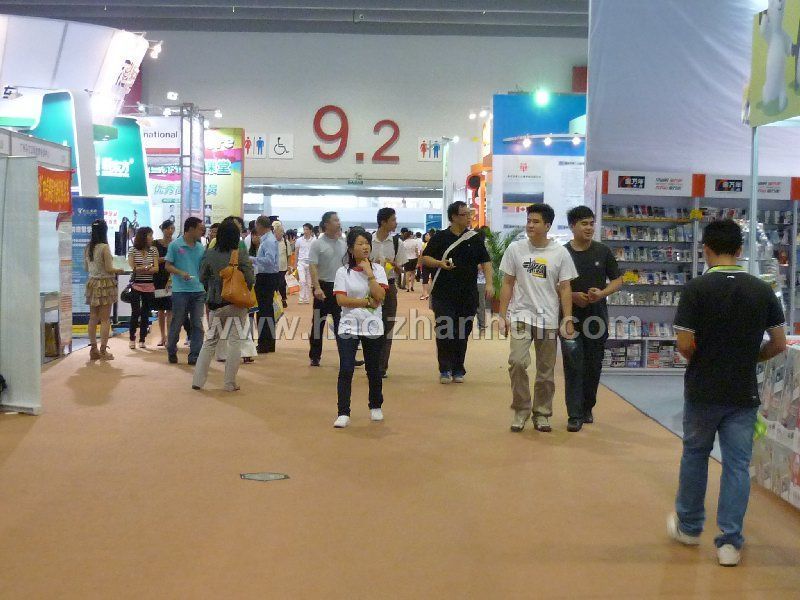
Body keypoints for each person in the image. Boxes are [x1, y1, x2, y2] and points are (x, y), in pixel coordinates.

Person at [668, 219, 786, 567]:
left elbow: (684, 343)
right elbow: (778, 343)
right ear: (740, 250)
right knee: (736, 465)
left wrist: (703, 358)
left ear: (705, 249)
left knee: (695, 456)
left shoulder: (696, 289)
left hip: (702, 389)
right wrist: (751, 357)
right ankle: (730, 543)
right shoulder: (761, 290)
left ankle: (689, 528)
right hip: (742, 392)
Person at [498, 203, 577, 433]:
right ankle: (521, 409)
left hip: (548, 319)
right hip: (521, 315)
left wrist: (567, 318)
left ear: (547, 225)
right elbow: (507, 283)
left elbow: (565, 288)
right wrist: (502, 316)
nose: (530, 225)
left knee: (545, 371)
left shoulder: (560, 253)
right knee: (517, 362)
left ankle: (542, 413)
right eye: (528, 221)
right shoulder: (515, 249)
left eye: (536, 222)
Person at [560, 206, 622, 431]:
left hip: (597, 319)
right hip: (570, 319)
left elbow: (617, 280)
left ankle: (587, 407)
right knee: (573, 366)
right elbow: (554, 285)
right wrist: (573, 296)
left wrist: (602, 293)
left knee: (593, 366)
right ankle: (574, 414)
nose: (589, 228)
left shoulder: (602, 251)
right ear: (572, 226)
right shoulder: (562, 253)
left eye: (591, 223)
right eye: (584, 223)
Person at [422, 201, 493, 384]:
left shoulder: (474, 238)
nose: (469, 218)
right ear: (453, 217)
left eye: (470, 214)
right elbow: (425, 258)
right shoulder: (440, 237)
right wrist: (439, 263)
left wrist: (489, 284)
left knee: (463, 331)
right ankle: (445, 368)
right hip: (443, 293)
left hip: (468, 294)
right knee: (445, 330)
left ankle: (458, 368)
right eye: (465, 214)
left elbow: (485, 261)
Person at [332, 228, 388, 428]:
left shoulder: (378, 270)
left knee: (373, 369)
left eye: (367, 243)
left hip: (372, 326)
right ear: (350, 248)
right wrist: (365, 302)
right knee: (346, 368)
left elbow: (380, 297)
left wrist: (370, 274)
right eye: (360, 243)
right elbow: (341, 300)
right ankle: (343, 412)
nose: (365, 247)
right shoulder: (343, 272)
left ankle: (375, 405)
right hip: (348, 325)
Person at [192, 220, 255, 392]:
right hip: (237, 303)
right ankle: (229, 383)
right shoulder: (240, 254)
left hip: (215, 303)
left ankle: (198, 380)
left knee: (210, 342)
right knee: (235, 342)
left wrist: (213, 286)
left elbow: (202, 277)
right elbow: (250, 278)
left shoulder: (209, 253)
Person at [165, 216, 207, 365]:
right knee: (177, 322)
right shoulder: (175, 245)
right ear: (190, 229)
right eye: (199, 229)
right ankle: (171, 349)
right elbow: (168, 265)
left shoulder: (201, 248)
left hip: (198, 290)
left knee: (197, 324)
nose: (202, 231)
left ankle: (194, 355)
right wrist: (180, 272)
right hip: (180, 291)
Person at [370, 207, 406, 378]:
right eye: (393, 220)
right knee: (370, 324)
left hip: (389, 287)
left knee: (388, 325)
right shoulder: (368, 241)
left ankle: (381, 366)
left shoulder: (397, 243)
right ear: (383, 222)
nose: (395, 223)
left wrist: (396, 266)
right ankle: (372, 361)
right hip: (370, 287)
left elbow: (401, 270)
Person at [308, 211, 347, 366]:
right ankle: (315, 355)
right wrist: (317, 287)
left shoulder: (343, 243)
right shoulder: (317, 243)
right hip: (323, 286)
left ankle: (346, 356)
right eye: (335, 220)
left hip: (339, 288)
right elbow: (312, 266)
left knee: (341, 323)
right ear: (326, 224)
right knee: (318, 322)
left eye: (338, 220)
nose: (339, 222)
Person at [84, 219, 124, 360]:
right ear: (104, 231)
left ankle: (93, 349)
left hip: (92, 283)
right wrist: (119, 269)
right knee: (105, 319)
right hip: (105, 284)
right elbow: (108, 268)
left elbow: (86, 268)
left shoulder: (88, 247)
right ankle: (103, 350)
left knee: (93, 318)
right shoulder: (104, 247)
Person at [126, 226, 159, 349]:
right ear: (143, 236)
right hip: (136, 285)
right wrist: (147, 268)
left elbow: (156, 268)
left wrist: (142, 268)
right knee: (135, 312)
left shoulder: (153, 250)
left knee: (146, 313)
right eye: (150, 235)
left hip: (149, 285)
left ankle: (142, 339)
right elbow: (132, 267)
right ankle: (132, 338)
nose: (152, 238)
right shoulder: (133, 250)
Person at [253, 216, 280, 354]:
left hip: (266, 277)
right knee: (267, 311)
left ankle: (264, 343)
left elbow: (269, 261)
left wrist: (252, 259)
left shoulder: (268, 241)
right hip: (268, 277)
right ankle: (268, 343)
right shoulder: (268, 239)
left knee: (264, 311)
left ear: (260, 226)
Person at [295, 223, 315, 304]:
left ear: (310, 230)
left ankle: (307, 298)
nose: (305, 231)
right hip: (301, 262)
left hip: (310, 263)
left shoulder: (314, 240)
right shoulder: (299, 240)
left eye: (307, 229)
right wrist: (295, 263)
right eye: (304, 229)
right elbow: (296, 252)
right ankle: (301, 297)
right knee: (302, 280)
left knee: (309, 282)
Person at [274, 220, 291, 308]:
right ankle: (275, 301)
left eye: (282, 232)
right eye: (279, 232)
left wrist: (289, 266)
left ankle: (283, 299)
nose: (281, 234)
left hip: (283, 267)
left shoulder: (286, 242)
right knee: (275, 284)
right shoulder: (271, 242)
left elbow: (289, 255)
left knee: (281, 283)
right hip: (273, 268)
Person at [418, 231, 433, 301]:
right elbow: (421, 254)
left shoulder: (432, 244)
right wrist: (419, 263)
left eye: (427, 235)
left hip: (432, 263)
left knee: (429, 279)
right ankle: (425, 293)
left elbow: (421, 254)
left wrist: (419, 262)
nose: (425, 236)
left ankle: (427, 293)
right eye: (426, 235)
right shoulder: (424, 244)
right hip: (426, 264)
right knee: (425, 279)